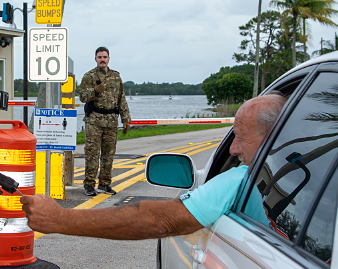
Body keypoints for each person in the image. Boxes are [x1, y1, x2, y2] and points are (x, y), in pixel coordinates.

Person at [20, 94, 286, 240]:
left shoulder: (241, 180)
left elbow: (161, 220)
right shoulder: (295, 176)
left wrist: (61, 219)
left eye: (240, 136)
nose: (233, 149)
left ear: (272, 136)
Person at [79, 47, 131, 196]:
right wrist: (95, 91)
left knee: (108, 155)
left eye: (105, 57)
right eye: (100, 57)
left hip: (111, 121)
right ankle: (89, 185)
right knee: (92, 154)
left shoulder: (116, 76)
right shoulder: (88, 76)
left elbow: (121, 98)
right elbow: (82, 96)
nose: (102, 59)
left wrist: (126, 118)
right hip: (94, 120)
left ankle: (105, 184)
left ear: (109, 59)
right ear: (95, 59)